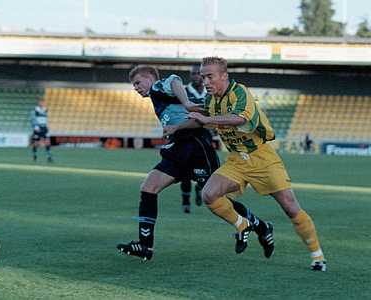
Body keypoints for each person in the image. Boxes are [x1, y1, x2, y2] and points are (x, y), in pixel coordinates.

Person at [117, 65, 274, 261]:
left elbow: (173, 79)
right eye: (134, 86)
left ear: (149, 78)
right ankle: (145, 245)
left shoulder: (158, 87)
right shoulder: (159, 97)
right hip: (177, 149)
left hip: (196, 147)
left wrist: (187, 104)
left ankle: (261, 226)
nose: (136, 88)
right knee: (149, 188)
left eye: (138, 83)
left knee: (216, 198)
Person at [189, 56, 326, 271]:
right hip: (236, 160)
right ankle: (242, 224)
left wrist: (208, 120)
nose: (205, 82)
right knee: (208, 194)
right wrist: (175, 127)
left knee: (291, 208)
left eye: (209, 77)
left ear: (224, 76)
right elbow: (199, 113)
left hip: (262, 157)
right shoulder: (211, 100)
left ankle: (317, 256)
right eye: (203, 77)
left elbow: (240, 118)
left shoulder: (239, 92)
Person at [180, 65, 209, 213]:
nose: (196, 76)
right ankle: (186, 202)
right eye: (193, 73)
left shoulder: (209, 92)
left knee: (203, 171)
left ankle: (199, 188)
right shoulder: (184, 91)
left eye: (198, 73)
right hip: (187, 136)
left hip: (205, 137)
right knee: (185, 171)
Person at [30, 98, 53, 162]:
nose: (42, 103)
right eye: (41, 102)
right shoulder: (35, 109)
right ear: (38, 103)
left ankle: (49, 156)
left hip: (44, 127)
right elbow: (32, 119)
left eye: (43, 102)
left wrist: (47, 126)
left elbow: (45, 119)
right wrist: (35, 126)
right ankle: (35, 155)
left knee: (48, 141)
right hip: (38, 127)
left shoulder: (46, 109)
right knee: (36, 143)